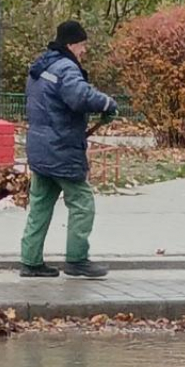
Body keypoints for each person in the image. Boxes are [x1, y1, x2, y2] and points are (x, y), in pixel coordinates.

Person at [20, 21, 117, 278]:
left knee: (40, 205)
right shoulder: (66, 68)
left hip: (39, 146)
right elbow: (80, 97)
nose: (84, 51)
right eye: (83, 45)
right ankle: (77, 259)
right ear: (71, 44)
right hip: (61, 147)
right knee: (82, 203)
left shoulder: (41, 66)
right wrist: (107, 102)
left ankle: (30, 262)